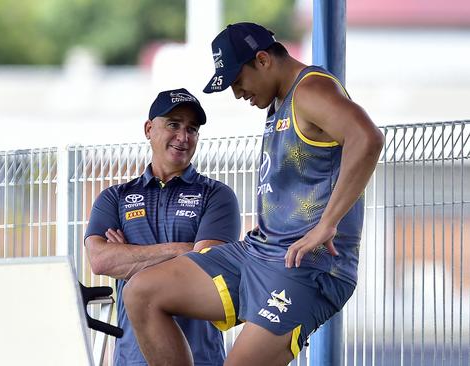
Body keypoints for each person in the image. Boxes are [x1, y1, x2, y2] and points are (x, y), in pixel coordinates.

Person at [123, 22, 385, 365]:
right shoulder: (280, 100)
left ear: (263, 60)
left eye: (237, 80)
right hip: (258, 254)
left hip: (306, 268)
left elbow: (367, 139)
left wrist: (327, 224)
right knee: (141, 292)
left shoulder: (311, 91)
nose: (236, 93)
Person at [84, 88, 242, 366]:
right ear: (148, 129)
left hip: (200, 357)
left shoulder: (217, 195)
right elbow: (100, 260)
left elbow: (207, 265)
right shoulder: (115, 197)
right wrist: (185, 249)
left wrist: (130, 254)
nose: (183, 137)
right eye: (173, 124)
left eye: (192, 129)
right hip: (132, 358)